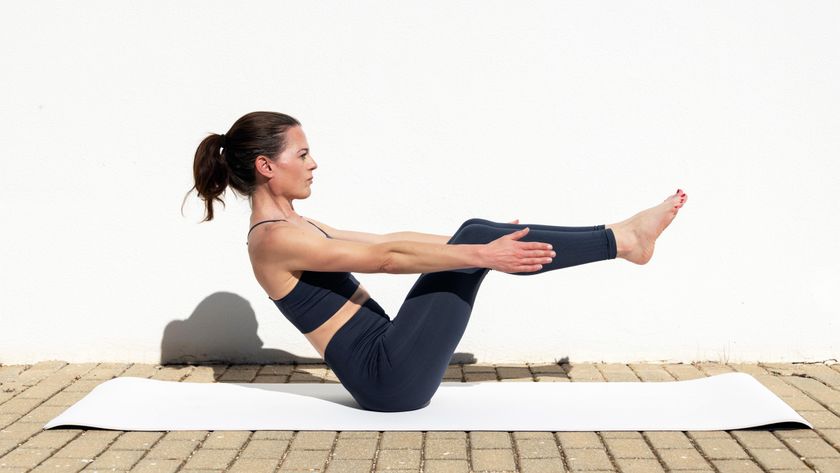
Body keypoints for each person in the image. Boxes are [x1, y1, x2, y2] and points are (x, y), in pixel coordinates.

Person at [185, 111, 688, 412]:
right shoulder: (271, 240)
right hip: (386, 378)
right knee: (477, 239)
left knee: (476, 231)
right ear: (267, 166)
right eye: (303, 153)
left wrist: (479, 244)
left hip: (390, 362)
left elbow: (389, 238)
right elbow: (383, 259)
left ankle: (622, 239)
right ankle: (624, 242)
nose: (314, 162)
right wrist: (481, 253)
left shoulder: (297, 225)